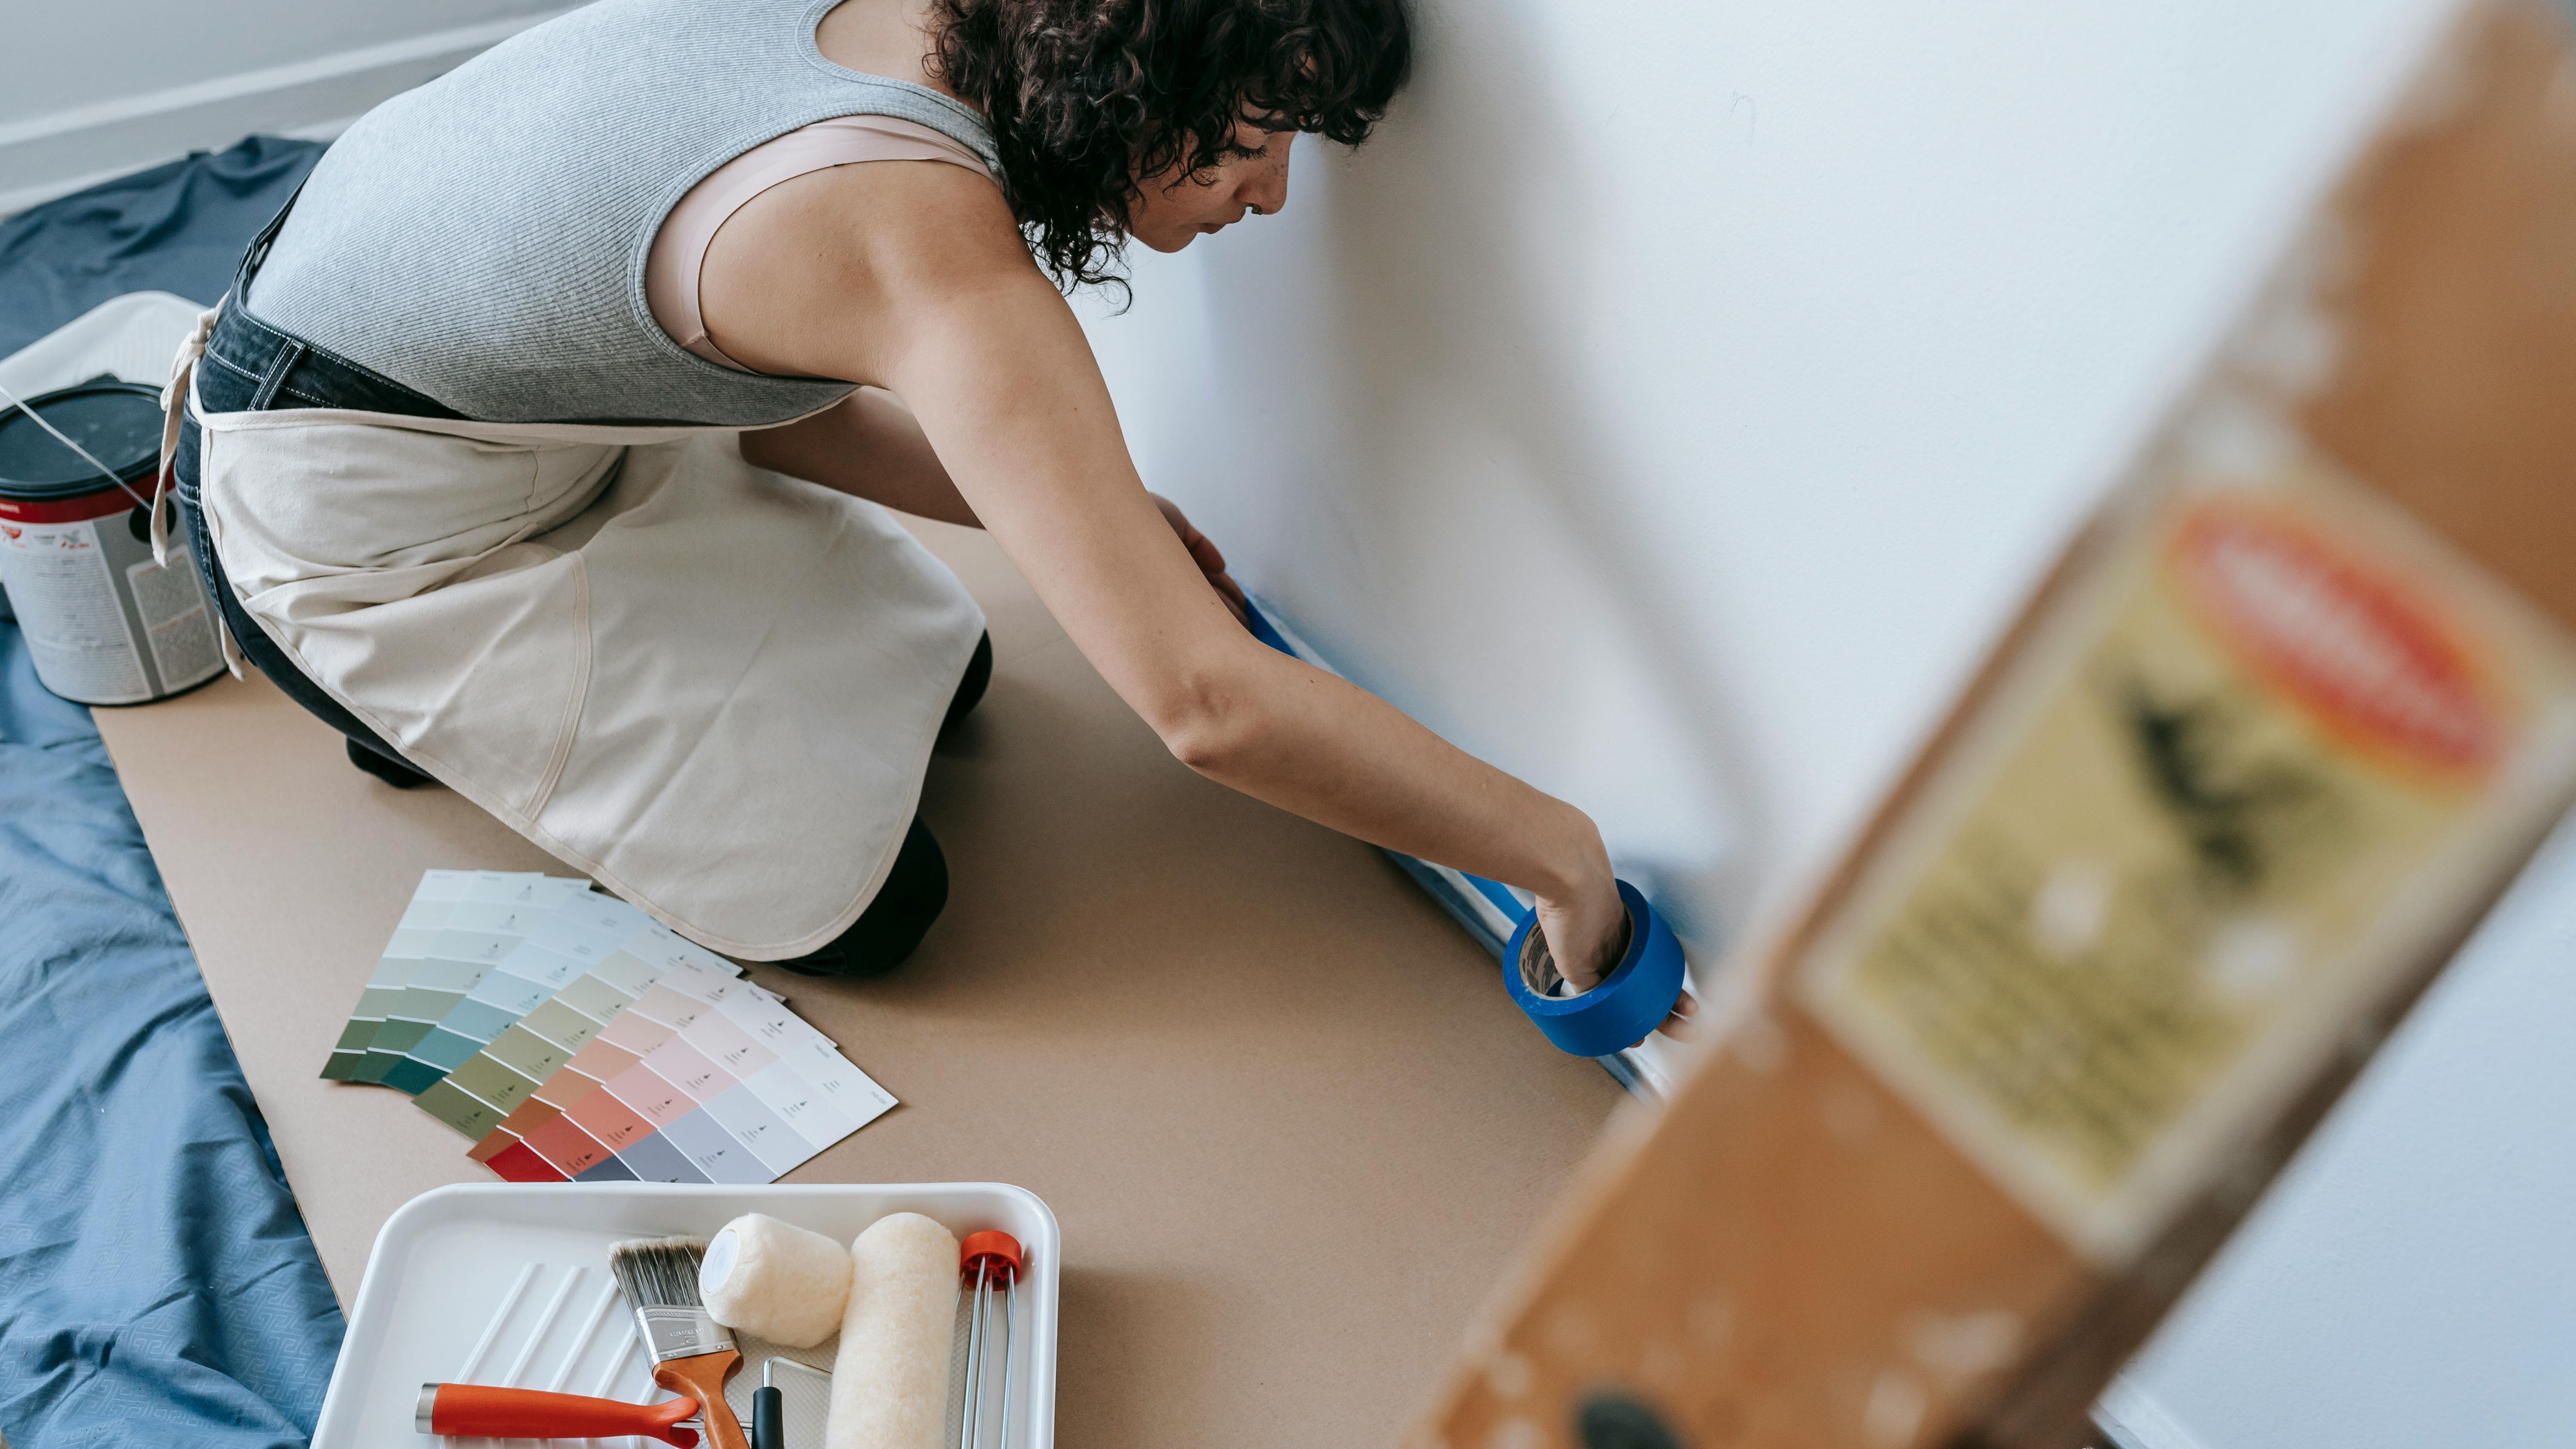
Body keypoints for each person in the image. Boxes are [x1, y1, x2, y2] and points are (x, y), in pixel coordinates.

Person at [169, 0, 1674, 1034]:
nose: (1273, 194)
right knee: (876, 912)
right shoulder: (909, 227)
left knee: (944, 670)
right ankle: (353, 687)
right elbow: (1207, 710)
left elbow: (763, 374)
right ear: (1150, 75)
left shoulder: (928, 31)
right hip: (331, 501)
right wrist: (1565, 857)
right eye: (1259, 134)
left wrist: (1094, 522)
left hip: (488, 388)